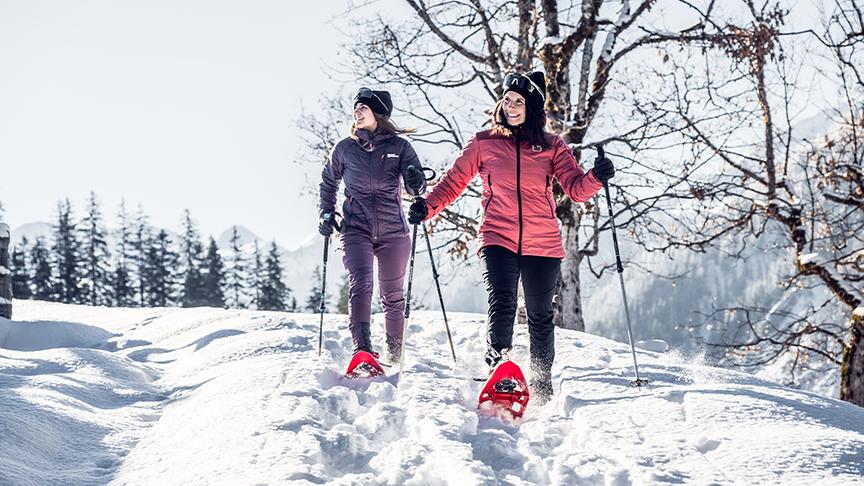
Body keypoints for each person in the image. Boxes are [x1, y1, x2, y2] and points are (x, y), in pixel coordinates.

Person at [407, 72, 615, 402]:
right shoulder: (484, 142)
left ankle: (542, 384)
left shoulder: (551, 146)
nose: (511, 105)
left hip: (542, 243)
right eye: (507, 99)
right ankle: (499, 370)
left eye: (519, 101)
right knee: (502, 302)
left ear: (532, 107)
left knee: (540, 315)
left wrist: (596, 177)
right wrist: (427, 207)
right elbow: (453, 182)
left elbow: (576, 189)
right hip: (496, 236)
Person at [318, 87, 426, 363]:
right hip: (356, 228)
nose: (357, 112)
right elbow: (329, 182)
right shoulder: (344, 148)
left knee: (392, 294)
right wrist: (326, 213)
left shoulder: (400, 147)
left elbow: (418, 186)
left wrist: (415, 183)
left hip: (394, 231)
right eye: (356, 107)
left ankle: (394, 352)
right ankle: (362, 348)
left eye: (363, 107)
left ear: (378, 113)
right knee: (361, 283)